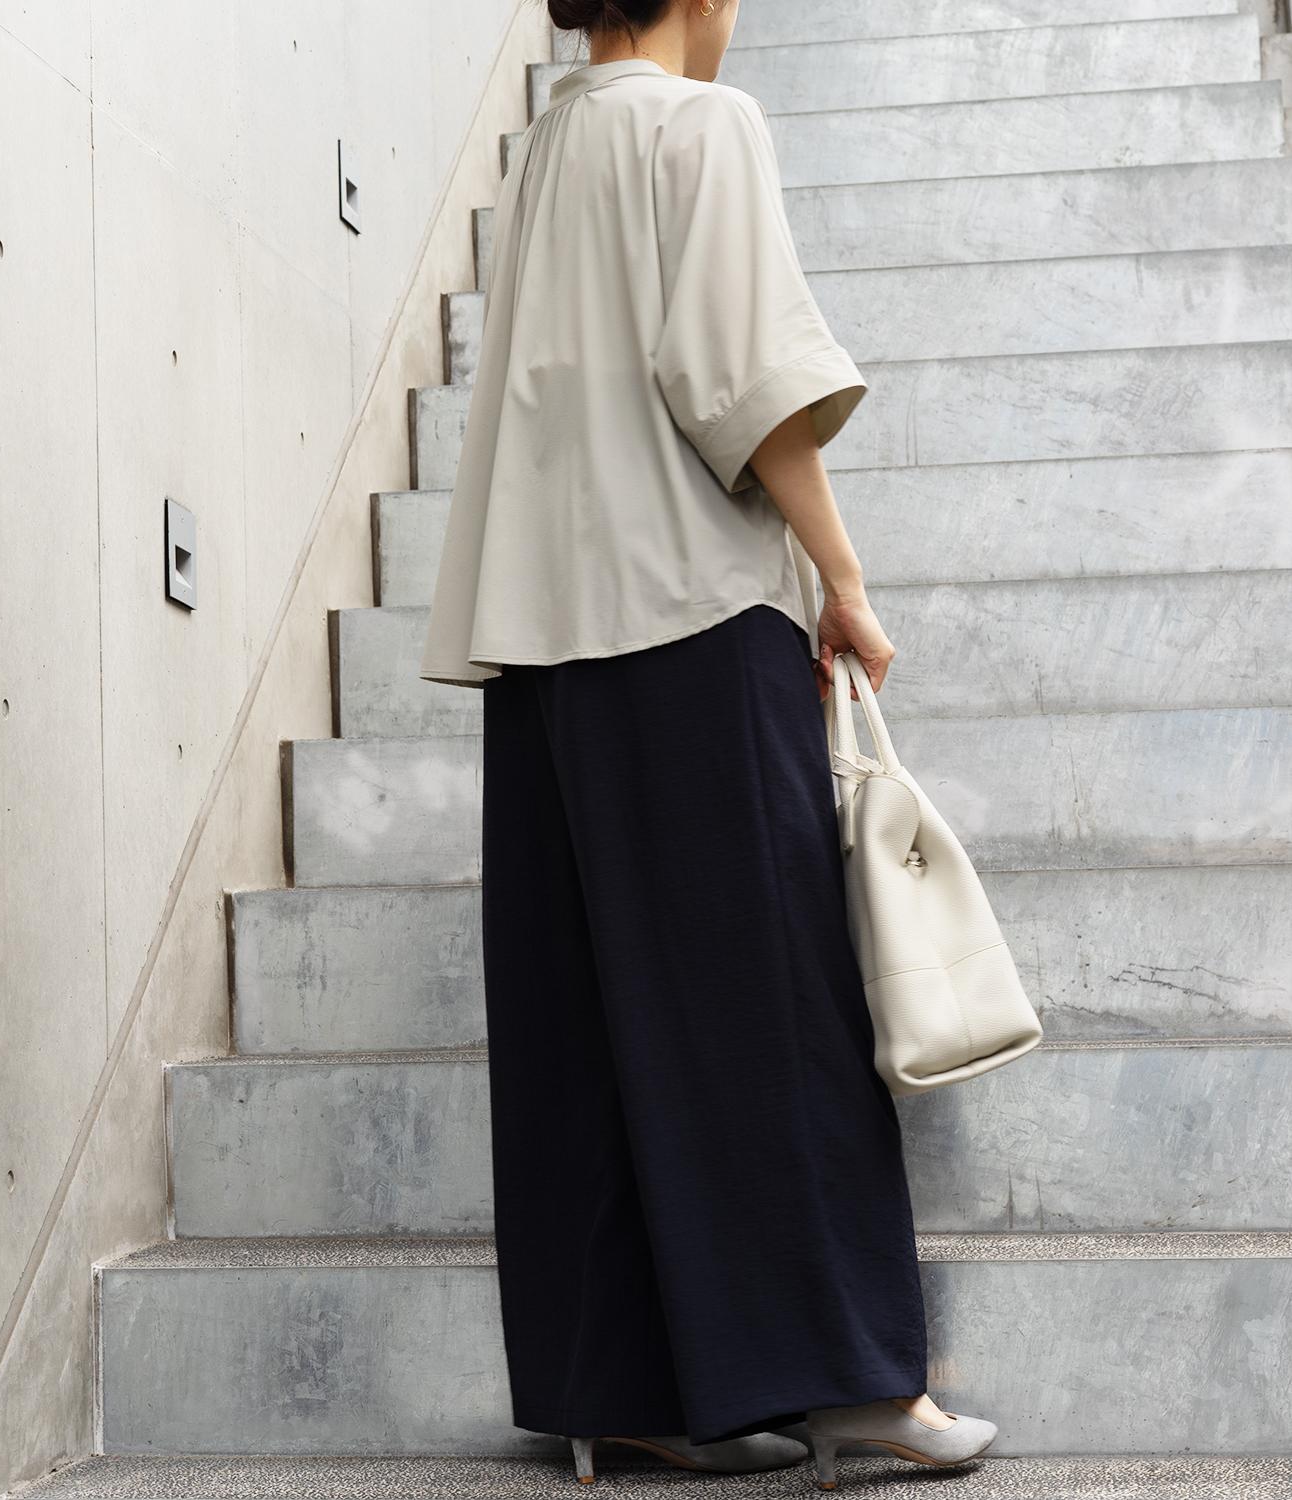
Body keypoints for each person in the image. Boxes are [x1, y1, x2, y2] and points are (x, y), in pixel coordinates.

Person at [418, 0, 999, 1488]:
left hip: (543, 639)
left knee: (583, 1016)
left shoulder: (550, 146)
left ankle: (614, 1390)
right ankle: (853, 1379)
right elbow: (744, 379)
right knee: (772, 1005)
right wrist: (845, 581)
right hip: (686, 615)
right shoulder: (701, 124)